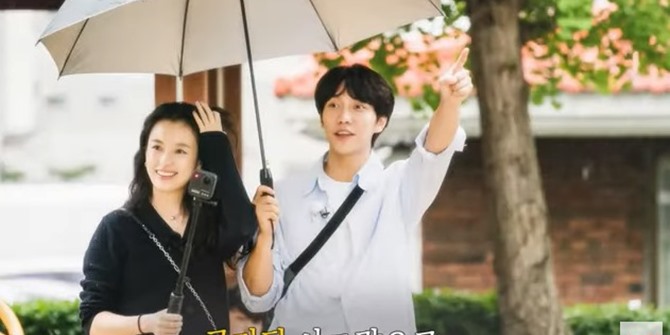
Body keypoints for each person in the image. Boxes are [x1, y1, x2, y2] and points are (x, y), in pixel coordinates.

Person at [239, 48, 473, 334]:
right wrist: (263, 236)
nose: (344, 117)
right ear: (322, 117)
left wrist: (449, 102)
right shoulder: (283, 195)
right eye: (334, 106)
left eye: (359, 107)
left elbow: (434, 152)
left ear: (380, 121)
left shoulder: (399, 186)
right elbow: (259, 298)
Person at [79, 102, 257, 335]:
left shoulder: (208, 222)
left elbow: (243, 226)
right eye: (157, 147)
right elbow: (91, 323)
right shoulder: (117, 228)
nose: (164, 162)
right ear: (144, 153)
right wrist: (146, 323)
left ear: (199, 163)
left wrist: (217, 145)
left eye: (180, 151)